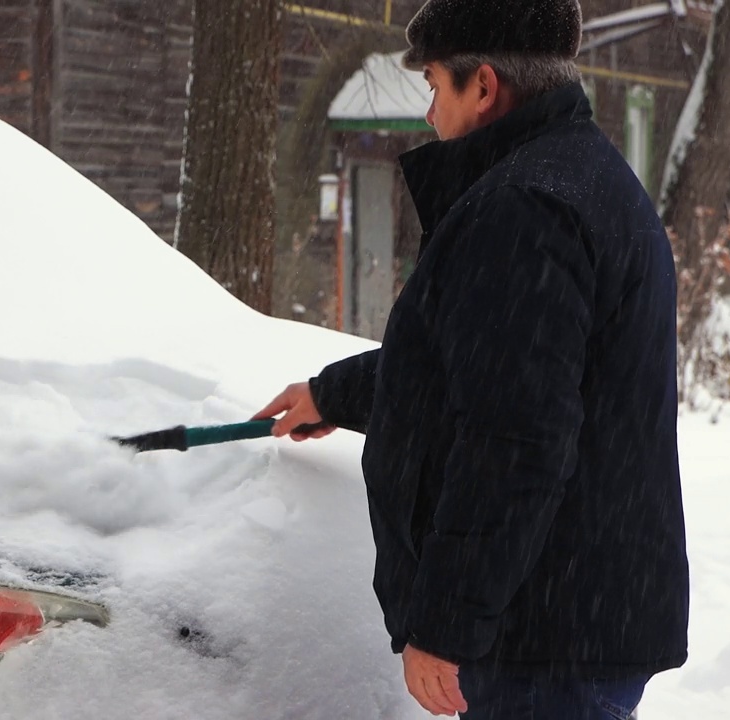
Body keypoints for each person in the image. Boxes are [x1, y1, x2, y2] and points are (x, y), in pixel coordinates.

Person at [254, 1, 689, 717]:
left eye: (433, 86)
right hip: (580, 617)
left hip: (544, 639)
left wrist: (445, 623)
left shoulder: (523, 211)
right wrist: (334, 393)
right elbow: (478, 365)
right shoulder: (586, 177)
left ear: (483, 87)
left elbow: (513, 441)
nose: (428, 113)